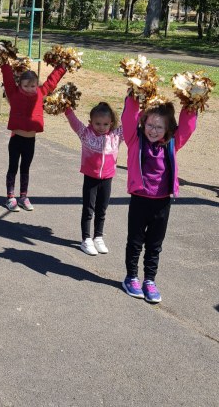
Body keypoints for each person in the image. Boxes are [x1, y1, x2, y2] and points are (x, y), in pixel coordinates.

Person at [121, 96, 197, 303]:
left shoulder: (172, 143)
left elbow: (188, 128)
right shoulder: (134, 139)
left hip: (162, 202)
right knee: (135, 243)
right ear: (143, 123)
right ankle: (131, 278)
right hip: (140, 200)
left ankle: (150, 280)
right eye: (150, 125)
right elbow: (128, 118)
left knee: (155, 245)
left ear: (169, 129)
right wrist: (135, 95)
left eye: (159, 128)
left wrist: (192, 102)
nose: (153, 131)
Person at [1, 64, 66, 211]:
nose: (30, 89)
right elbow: (7, 79)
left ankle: (23, 196)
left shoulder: (41, 93)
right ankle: (10, 197)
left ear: (37, 84)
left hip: (30, 141)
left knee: (25, 168)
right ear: (20, 85)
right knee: (13, 168)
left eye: (33, 85)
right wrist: (4, 63)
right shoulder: (13, 93)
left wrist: (62, 67)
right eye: (26, 86)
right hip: (16, 140)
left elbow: (52, 81)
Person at [64, 103, 124, 255]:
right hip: (90, 178)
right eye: (97, 123)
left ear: (111, 123)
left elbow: (131, 122)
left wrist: (138, 104)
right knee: (88, 210)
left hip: (107, 178)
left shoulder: (116, 136)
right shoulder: (86, 134)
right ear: (91, 122)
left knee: (102, 210)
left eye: (105, 124)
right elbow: (74, 121)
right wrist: (66, 107)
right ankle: (86, 240)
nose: (101, 127)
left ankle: (98, 237)